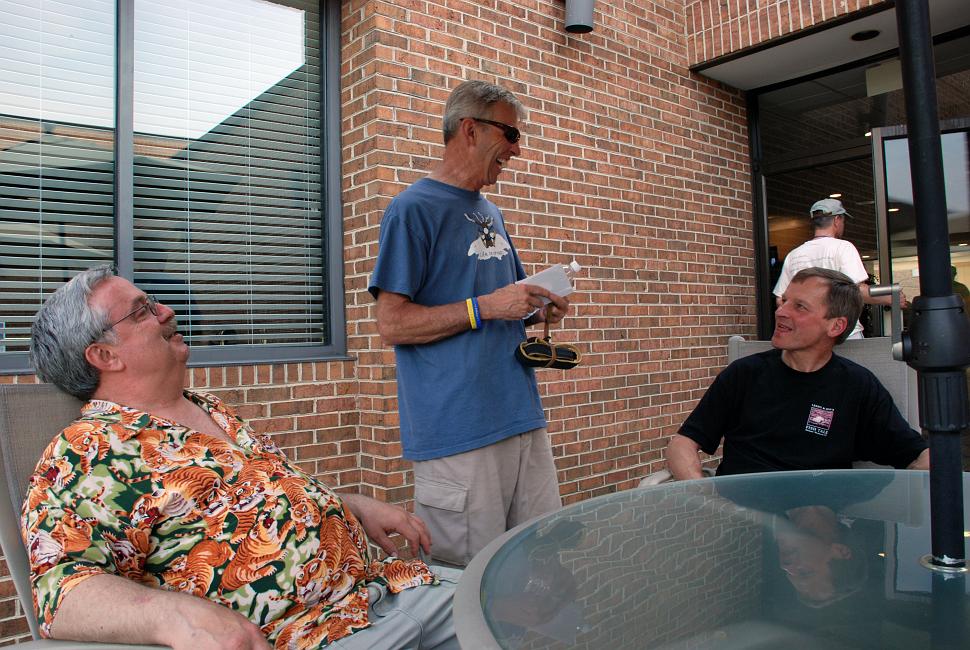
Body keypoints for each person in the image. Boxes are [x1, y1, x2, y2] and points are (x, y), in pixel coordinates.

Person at [23, 266, 459, 650]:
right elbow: (61, 593)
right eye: (141, 311)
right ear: (104, 356)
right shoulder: (85, 452)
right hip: (318, 634)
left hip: (387, 588)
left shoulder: (207, 407)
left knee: (515, 599)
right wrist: (175, 617)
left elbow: (256, 502)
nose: (166, 311)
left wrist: (347, 504)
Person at [368, 80, 571, 567]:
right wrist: (484, 307)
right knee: (466, 585)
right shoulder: (411, 210)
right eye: (510, 134)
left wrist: (540, 308)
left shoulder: (490, 212)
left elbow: (506, 303)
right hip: (458, 433)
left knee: (541, 567)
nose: (518, 150)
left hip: (521, 419)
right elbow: (392, 324)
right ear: (470, 129)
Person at [667, 267, 929, 479]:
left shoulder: (856, 386)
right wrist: (708, 500)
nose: (781, 311)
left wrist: (915, 491)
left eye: (800, 307)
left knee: (814, 517)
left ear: (836, 326)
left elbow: (919, 455)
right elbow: (682, 444)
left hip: (815, 520)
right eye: (785, 301)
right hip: (741, 518)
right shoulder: (745, 373)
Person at [773, 198, 902, 339]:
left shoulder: (794, 255)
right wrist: (889, 298)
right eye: (843, 221)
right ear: (837, 220)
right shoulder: (843, 248)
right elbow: (856, 290)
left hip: (809, 337)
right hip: (844, 334)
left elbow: (781, 299)